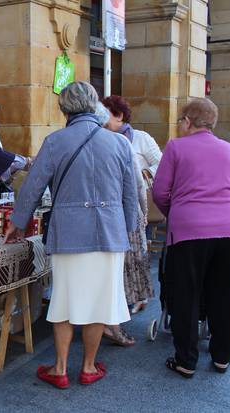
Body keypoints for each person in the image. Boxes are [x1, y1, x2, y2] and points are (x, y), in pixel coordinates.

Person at [4, 81, 139, 388]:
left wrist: (17, 221)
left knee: (64, 300)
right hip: (109, 232)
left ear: (64, 108)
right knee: (99, 303)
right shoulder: (119, 143)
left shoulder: (55, 141)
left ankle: (61, 368)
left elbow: (32, 187)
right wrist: (127, 228)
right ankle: (89, 366)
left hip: (68, 232)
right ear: (95, 106)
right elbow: (131, 195)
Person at [153, 97, 230, 378]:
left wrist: (178, 212)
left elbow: (159, 191)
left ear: (187, 121)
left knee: (186, 294)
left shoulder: (176, 147)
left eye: (180, 119)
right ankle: (221, 357)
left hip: (189, 230)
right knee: (223, 293)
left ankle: (186, 360)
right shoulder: (229, 149)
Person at [98, 98, 157, 346]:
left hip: (128, 211)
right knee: (117, 270)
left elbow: (156, 165)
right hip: (115, 212)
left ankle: (116, 317)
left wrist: (147, 173)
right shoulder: (103, 140)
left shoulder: (139, 138)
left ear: (119, 115)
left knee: (128, 266)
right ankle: (112, 321)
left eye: (107, 115)